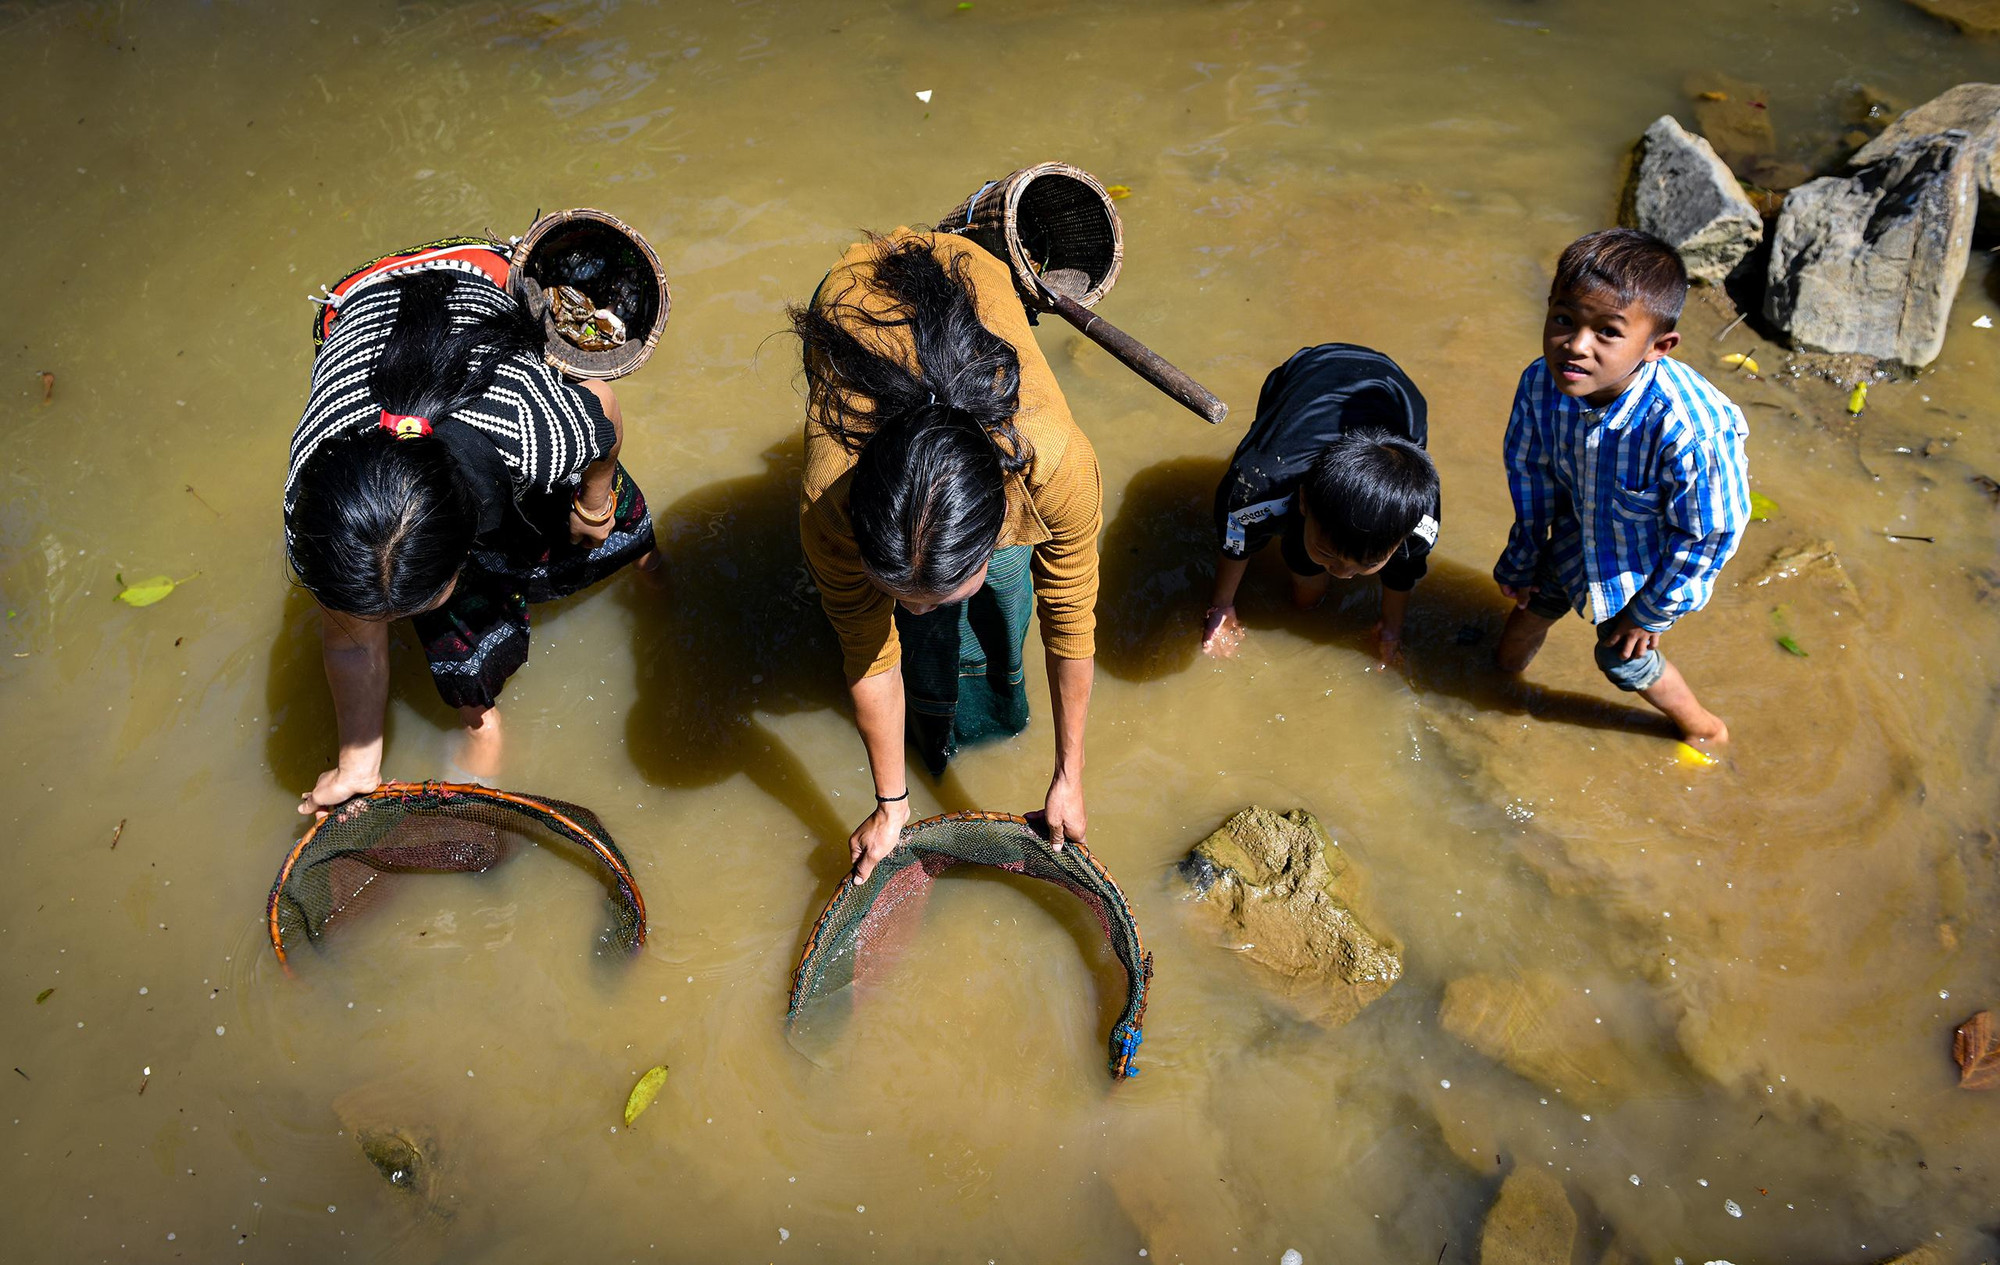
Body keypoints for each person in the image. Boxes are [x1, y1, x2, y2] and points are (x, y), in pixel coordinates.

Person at [285, 239, 656, 815]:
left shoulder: (533, 431)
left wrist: (595, 506)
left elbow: (602, 405)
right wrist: (358, 764)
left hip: (480, 282)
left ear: (466, 534)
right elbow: (348, 640)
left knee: (597, 528)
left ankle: (650, 568)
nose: (377, 627)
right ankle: (479, 717)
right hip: (360, 311)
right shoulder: (319, 511)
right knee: (449, 618)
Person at [792, 230, 1102, 881]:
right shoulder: (828, 503)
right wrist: (891, 802)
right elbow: (866, 646)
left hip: (974, 275)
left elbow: (1070, 612)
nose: (912, 609)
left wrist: (1069, 774)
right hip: (851, 290)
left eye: (934, 593)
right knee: (892, 626)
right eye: (900, 591)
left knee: (1012, 594)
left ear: (999, 524)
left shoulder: (1057, 464)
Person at [1492, 228, 1750, 747]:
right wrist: (1523, 551)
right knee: (1529, 607)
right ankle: (1492, 692)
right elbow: (1530, 472)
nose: (1576, 346)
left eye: (1607, 333)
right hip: (1572, 531)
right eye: (1563, 320)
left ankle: (1705, 729)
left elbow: (1710, 532)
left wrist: (1651, 610)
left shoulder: (1689, 428)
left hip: (1642, 565)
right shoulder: (1541, 383)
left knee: (1619, 656)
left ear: (1658, 346)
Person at [1203, 344, 1440, 664]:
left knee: (1317, 566)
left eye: (1367, 562)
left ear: (1399, 540)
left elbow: (1405, 569)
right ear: (1303, 500)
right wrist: (1222, 606)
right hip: (1306, 373)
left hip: (1400, 394)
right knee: (1306, 592)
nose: (1344, 574)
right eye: (1329, 553)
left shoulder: (1421, 519)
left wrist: (1391, 629)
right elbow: (1237, 534)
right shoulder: (1258, 484)